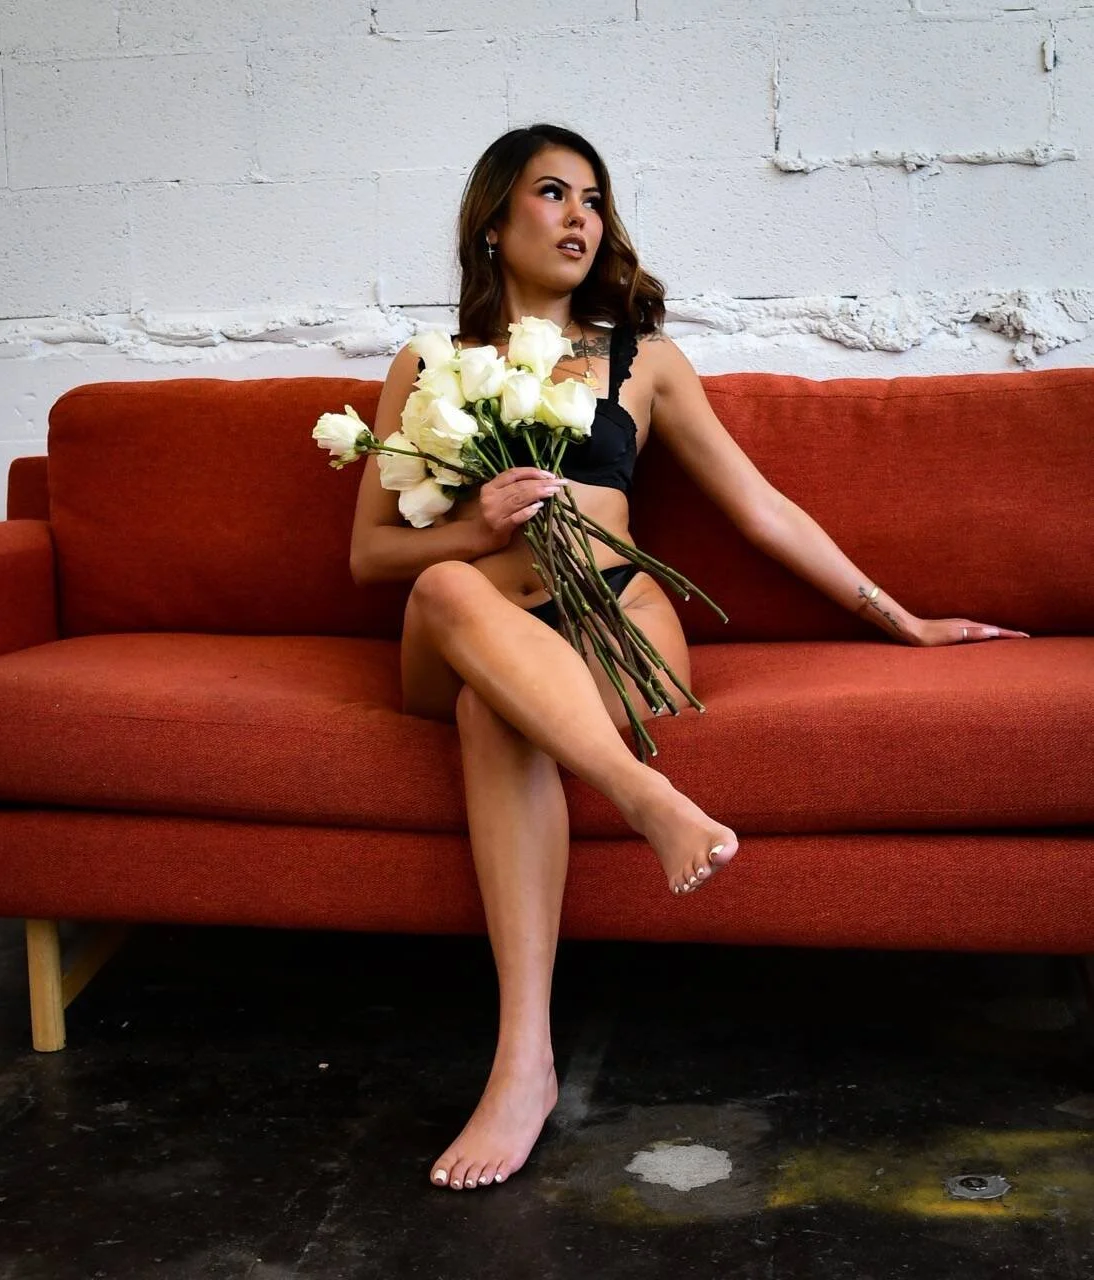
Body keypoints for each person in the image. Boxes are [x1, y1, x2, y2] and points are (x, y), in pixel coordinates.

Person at [348, 123, 1029, 1193]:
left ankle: (520, 1063)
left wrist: (899, 617)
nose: (582, 216)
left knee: (499, 714)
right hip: (468, 622)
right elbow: (370, 553)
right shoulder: (425, 368)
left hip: (614, 614)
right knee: (442, 586)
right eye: (552, 193)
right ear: (492, 222)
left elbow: (760, 510)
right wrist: (479, 527)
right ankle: (641, 793)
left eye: (595, 199)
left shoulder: (644, 361)